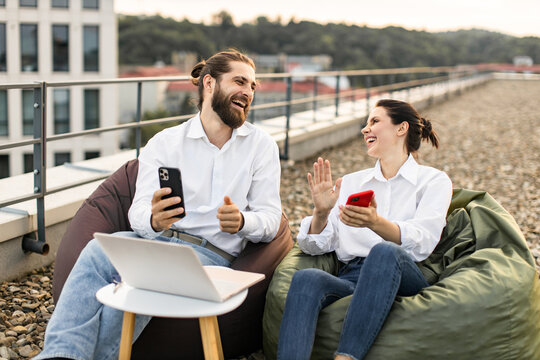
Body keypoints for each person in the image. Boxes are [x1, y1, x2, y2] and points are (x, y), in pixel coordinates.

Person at [36, 49, 282, 360]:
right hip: (159, 244)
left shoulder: (261, 147)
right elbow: (137, 213)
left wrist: (244, 222)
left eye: (252, 86)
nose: (248, 92)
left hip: (209, 258)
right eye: (239, 82)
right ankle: (58, 355)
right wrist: (154, 220)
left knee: (134, 291)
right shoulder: (165, 142)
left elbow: (273, 218)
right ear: (210, 84)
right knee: (97, 250)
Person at [276, 99, 452, 360]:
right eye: (367, 123)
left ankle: (345, 357)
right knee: (306, 278)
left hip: (402, 274)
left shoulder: (433, 180)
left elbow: (424, 240)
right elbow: (315, 245)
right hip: (353, 276)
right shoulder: (351, 182)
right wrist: (321, 212)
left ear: (401, 128)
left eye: (375, 121)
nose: (365, 129)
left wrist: (374, 222)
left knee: (385, 252)